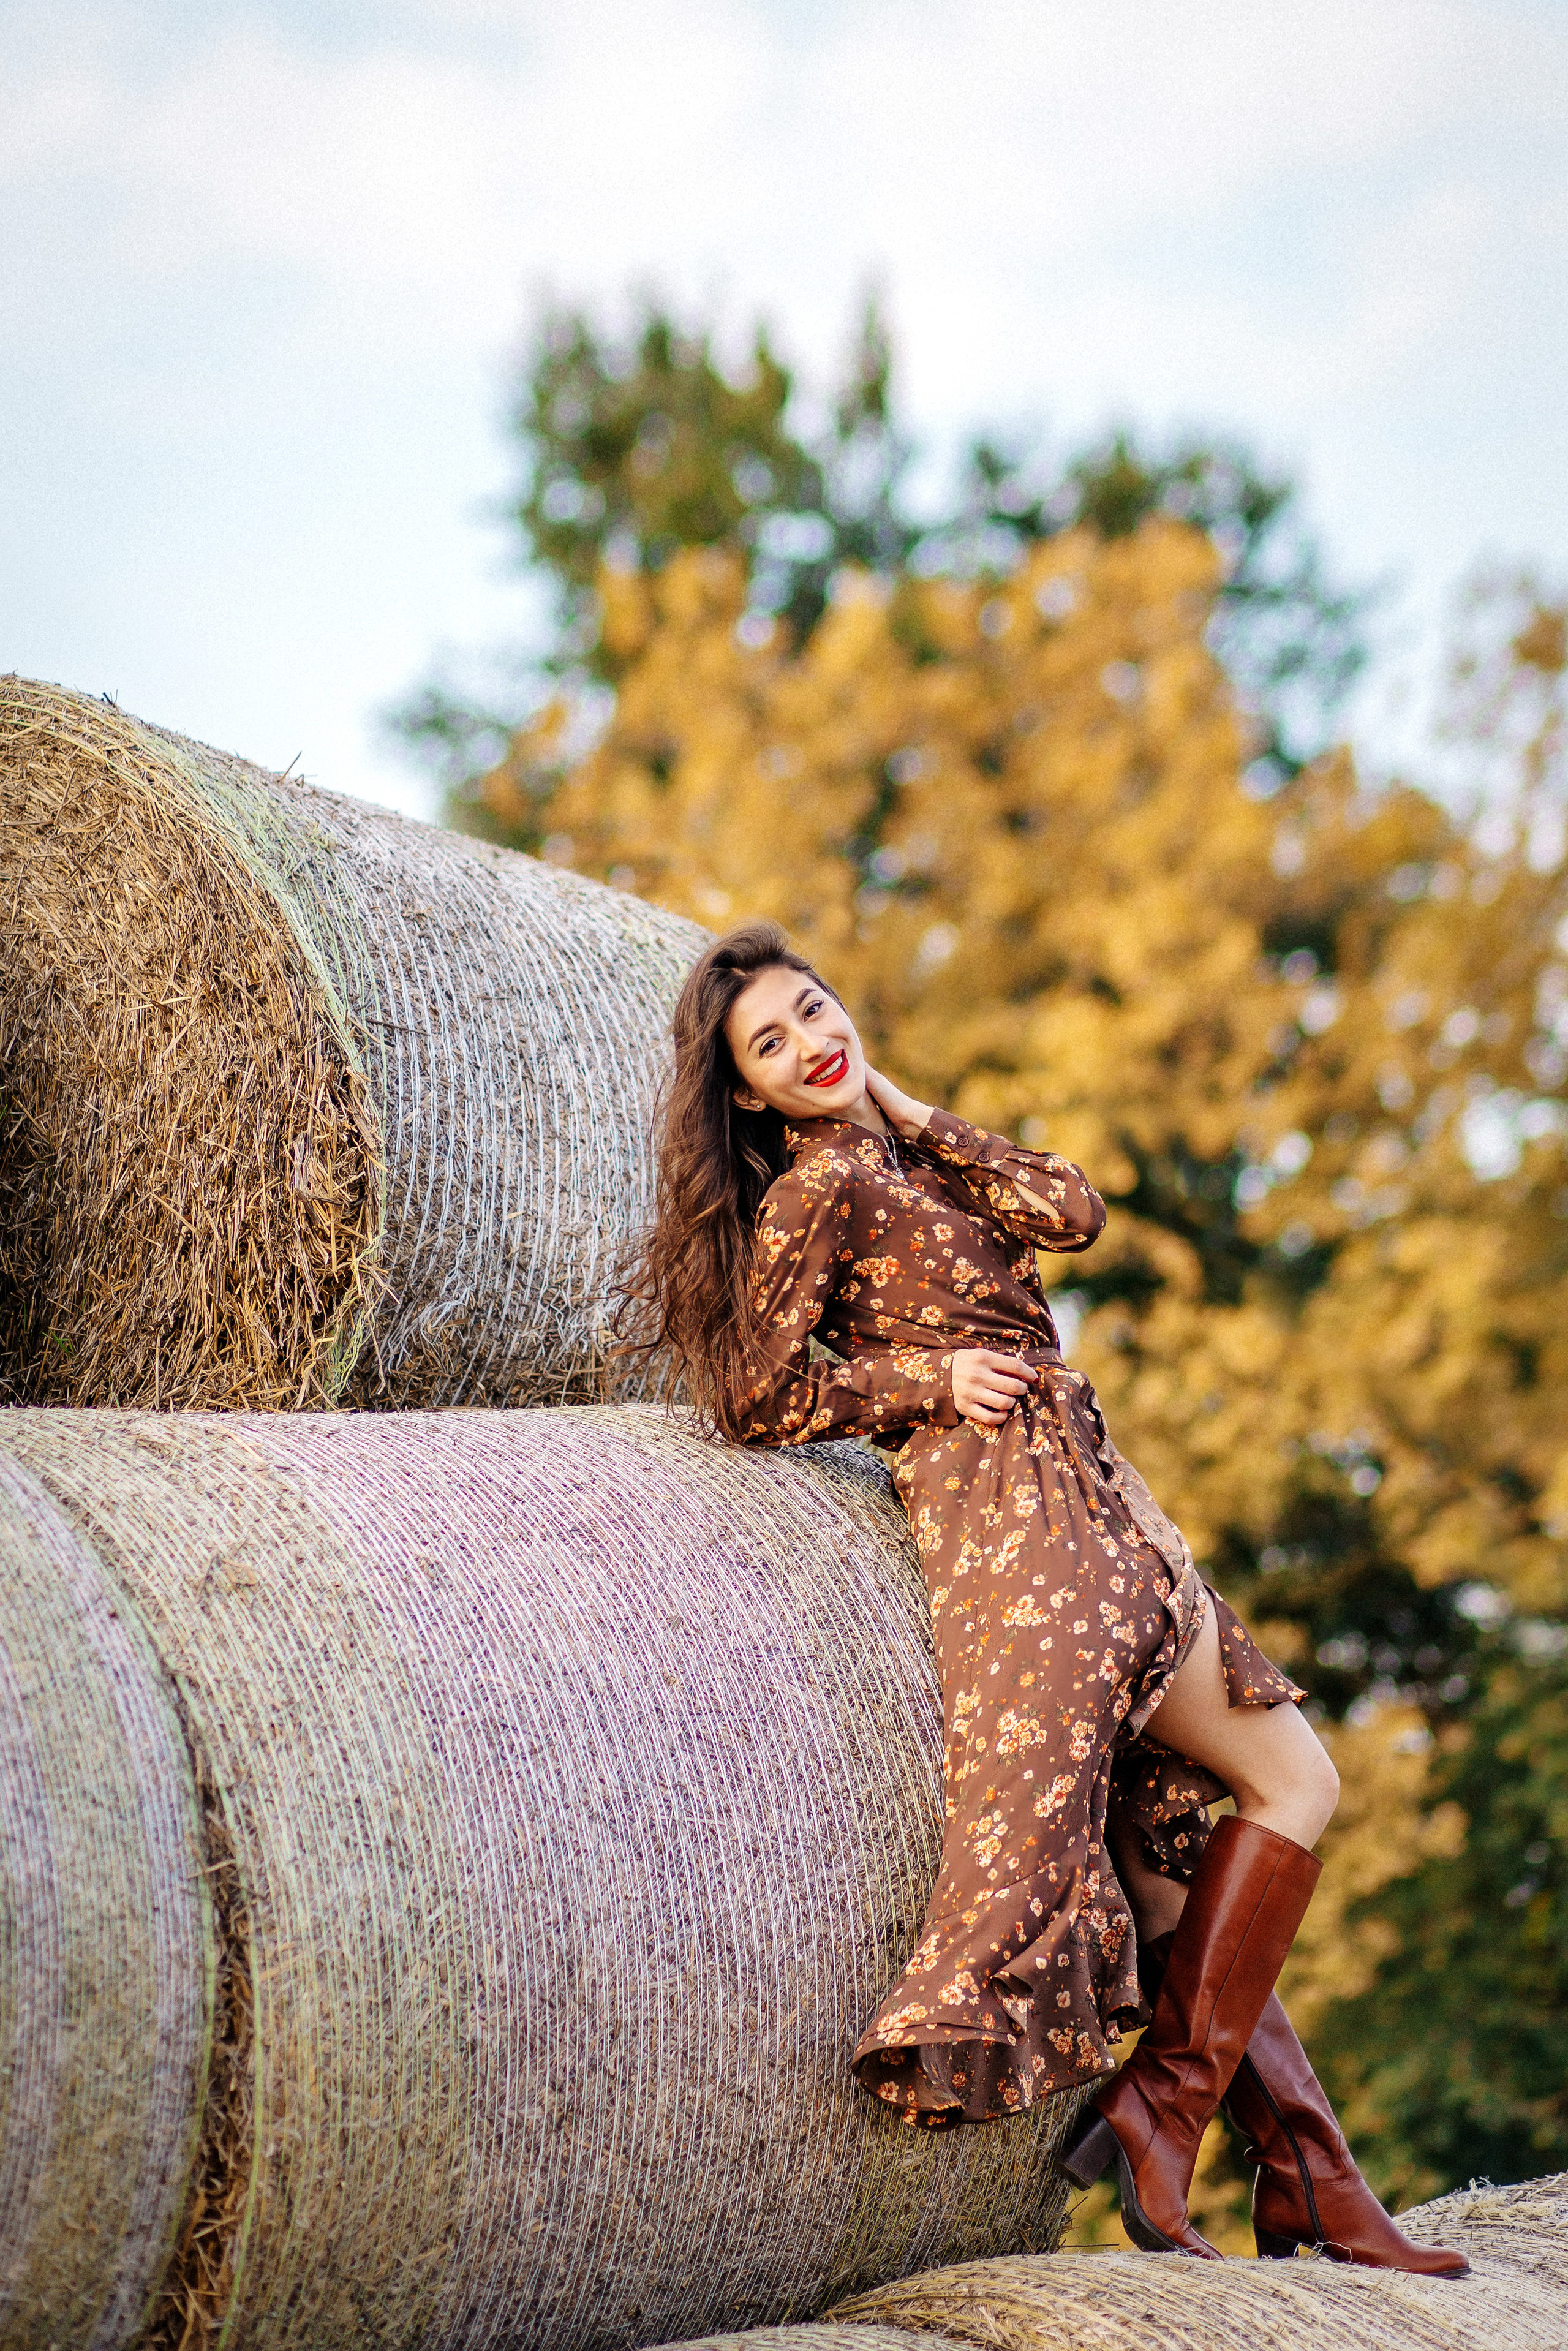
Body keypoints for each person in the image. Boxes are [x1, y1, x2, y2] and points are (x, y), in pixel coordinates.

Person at [626, 919, 1468, 2274]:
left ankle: (1299, 2170)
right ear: (744, 1094)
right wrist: (923, 1386)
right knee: (1290, 1779)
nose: (808, 1045)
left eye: (813, 1010)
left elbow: (1067, 1209)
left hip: (1085, 1493)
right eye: (769, 1044)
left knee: (1163, 1865)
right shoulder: (814, 1193)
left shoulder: (901, 1151)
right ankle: (1177, 2111)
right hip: (1014, 1525)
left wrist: (909, 1104)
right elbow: (751, 1393)